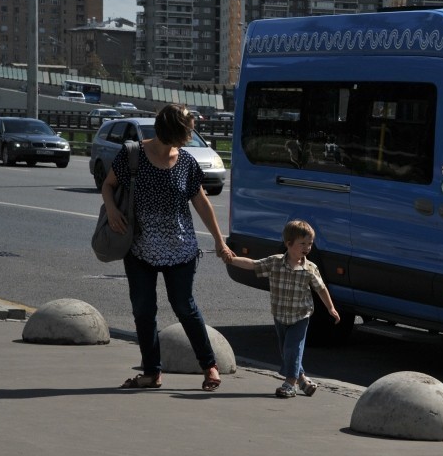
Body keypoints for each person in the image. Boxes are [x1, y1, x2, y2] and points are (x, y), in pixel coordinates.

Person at [101, 103, 234, 391]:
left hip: (181, 248)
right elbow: (108, 185)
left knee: (184, 306)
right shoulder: (133, 154)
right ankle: (152, 372)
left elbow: (200, 201)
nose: (191, 134)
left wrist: (219, 240)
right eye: (187, 129)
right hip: (139, 247)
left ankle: (209, 366)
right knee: (144, 310)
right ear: (173, 130)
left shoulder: (185, 161)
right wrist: (111, 210)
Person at [225, 220, 340, 398]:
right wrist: (231, 259)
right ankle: (302, 380)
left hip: (301, 315)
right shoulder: (275, 262)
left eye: (310, 244)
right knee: (286, 351)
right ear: (288, 243)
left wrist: (330, 308)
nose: (307, 248)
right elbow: (253, 264)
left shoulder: (310, 268)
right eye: (302, 243)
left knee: (293, 348)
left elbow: (321, 288)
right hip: (280, 315)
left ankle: (290, 384)